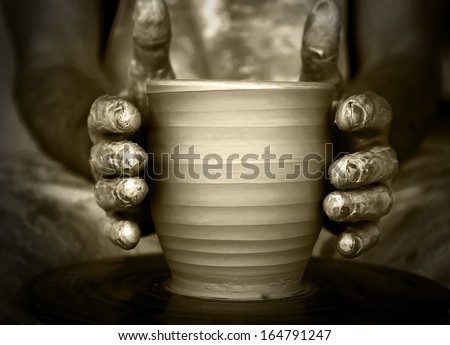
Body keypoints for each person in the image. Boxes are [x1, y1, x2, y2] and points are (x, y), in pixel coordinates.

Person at [0, 0, 447, 323]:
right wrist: (110, 142)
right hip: (121, 160)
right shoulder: (118, 145)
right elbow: (50, 57)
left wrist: (357, 133)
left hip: (333, 159)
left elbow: (405, 51)